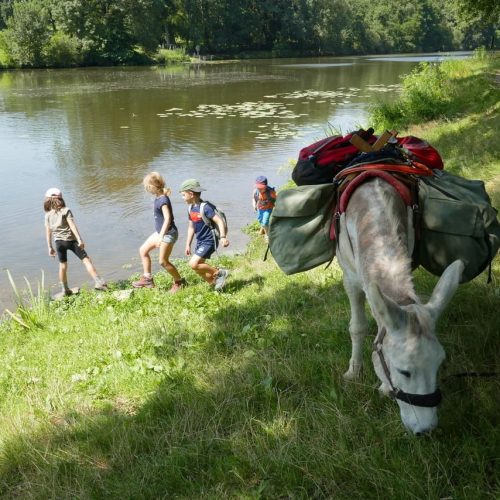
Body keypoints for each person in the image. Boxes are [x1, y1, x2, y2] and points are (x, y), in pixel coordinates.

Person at [44, 187, 107, 296]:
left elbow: (48, 232)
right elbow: (72, 226)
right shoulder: (66, 210)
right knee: (86, 260)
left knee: (62, 266)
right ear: (60, 198)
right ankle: (99, 282)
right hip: (71, 241)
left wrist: (50, 247)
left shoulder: (47, 215)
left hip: (58, 243)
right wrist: (79, 239)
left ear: (48, 200)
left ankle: (65, 289)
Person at [133, 172, 186, 292]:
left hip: (168, 234)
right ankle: (147, 279)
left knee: (163, 261)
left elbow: (167, 218)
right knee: (143, 250)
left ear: (153, 186)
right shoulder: (159, 197)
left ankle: (179, 282)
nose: (146, 189)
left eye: (147, 186)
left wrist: (160, 237)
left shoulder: (163, 200)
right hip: (160, 232)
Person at [180, 178, 230, 290]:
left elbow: (219, 221)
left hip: (210, 240)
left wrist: (223, 237)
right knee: (198, 268)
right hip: (200, 241)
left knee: (193, 264)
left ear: (191, 194)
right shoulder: (190, 208)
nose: (182, 198)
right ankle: (215, 284)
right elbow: (191, 227)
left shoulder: (205, 207)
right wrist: (188, 244)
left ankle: (220, 273)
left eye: (183, 195)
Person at [252, 175, 276, 241]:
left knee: (265, 222)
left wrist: (276, 207)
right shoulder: (256, 191)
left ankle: (267, 235)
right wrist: (254, 205)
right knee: (260, 220)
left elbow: (276, 200)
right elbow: (253, 198)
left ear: (266, 186)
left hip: (268, 209)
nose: (259, 189)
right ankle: (262, 231)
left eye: (261, 188)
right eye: (258, 187)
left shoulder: (270, 192)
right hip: (260, 209)